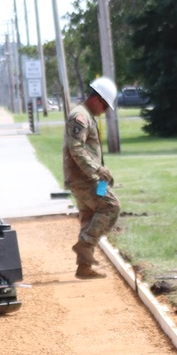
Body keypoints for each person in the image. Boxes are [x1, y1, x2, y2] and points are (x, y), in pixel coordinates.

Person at [65, 77, 121, 279]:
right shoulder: (80, 117)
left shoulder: (87, 115)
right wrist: (97, 170)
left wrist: (101, 172)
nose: (105, 111)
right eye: (105, 106)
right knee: (110, 207)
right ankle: (84, 245)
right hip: (85, 179)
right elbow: (76, 148)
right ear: (97, 99)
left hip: (88, 178)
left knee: (89, 217)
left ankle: (84, 267)